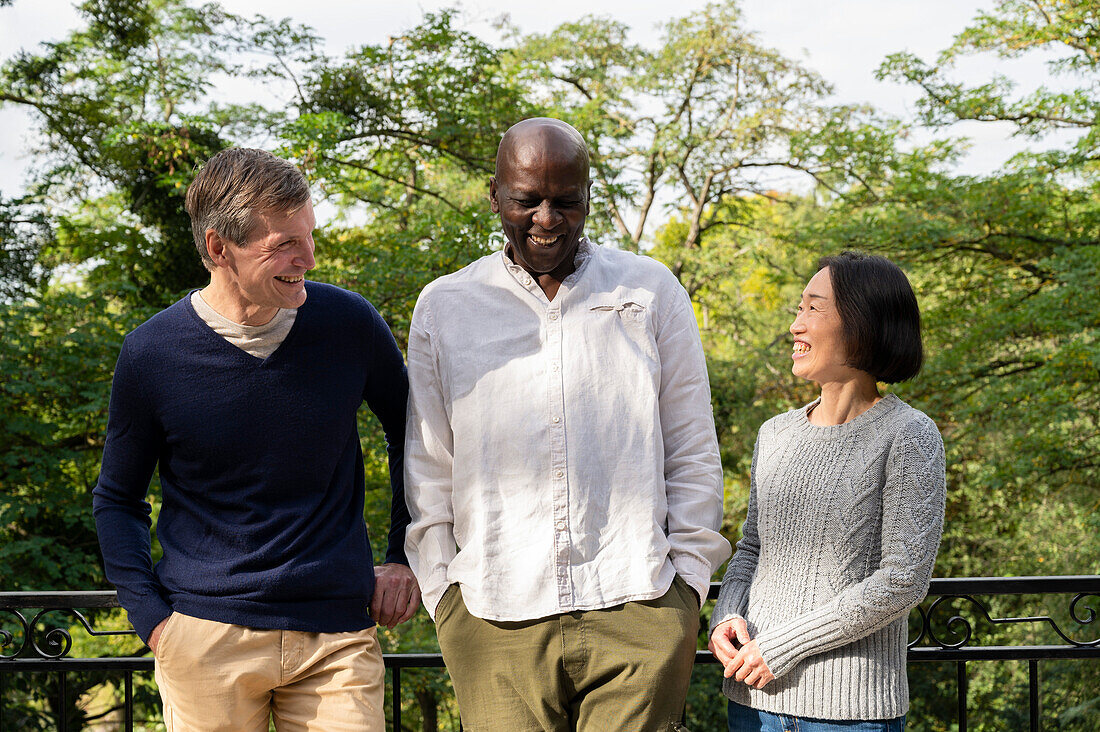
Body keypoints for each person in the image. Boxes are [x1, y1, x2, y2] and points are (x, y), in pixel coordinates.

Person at [403, 117, 731, 731]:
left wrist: (685, 588)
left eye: (566, 202)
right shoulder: (445, 306)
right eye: (528, 200)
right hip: (492, 612)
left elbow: (691, 447)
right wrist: (443, 595)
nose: (547, 219)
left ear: (588, 197)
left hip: (639, 600)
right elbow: (429, 464)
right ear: (495, 196)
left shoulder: (652, 291)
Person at [92, 148, 420, 731]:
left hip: (337, 636)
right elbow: (117, 498)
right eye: (284, 245)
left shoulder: (349, 325)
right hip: (205, 637)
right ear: (219, 248)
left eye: (310, 236)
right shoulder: (152, 354)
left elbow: (416, 437)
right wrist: (155, 622)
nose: (309, 258)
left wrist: (402, 554)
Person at [709, 252, 946, 731]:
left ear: (861, 324)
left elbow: (902, 580)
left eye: (812, 309)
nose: (796, 325)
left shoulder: (909, 435)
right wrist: (727, 612)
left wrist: (782, 646)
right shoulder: (775, 433)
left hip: (847, 715)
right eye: (798, 309)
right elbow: (753, 547)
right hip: (752, 703)